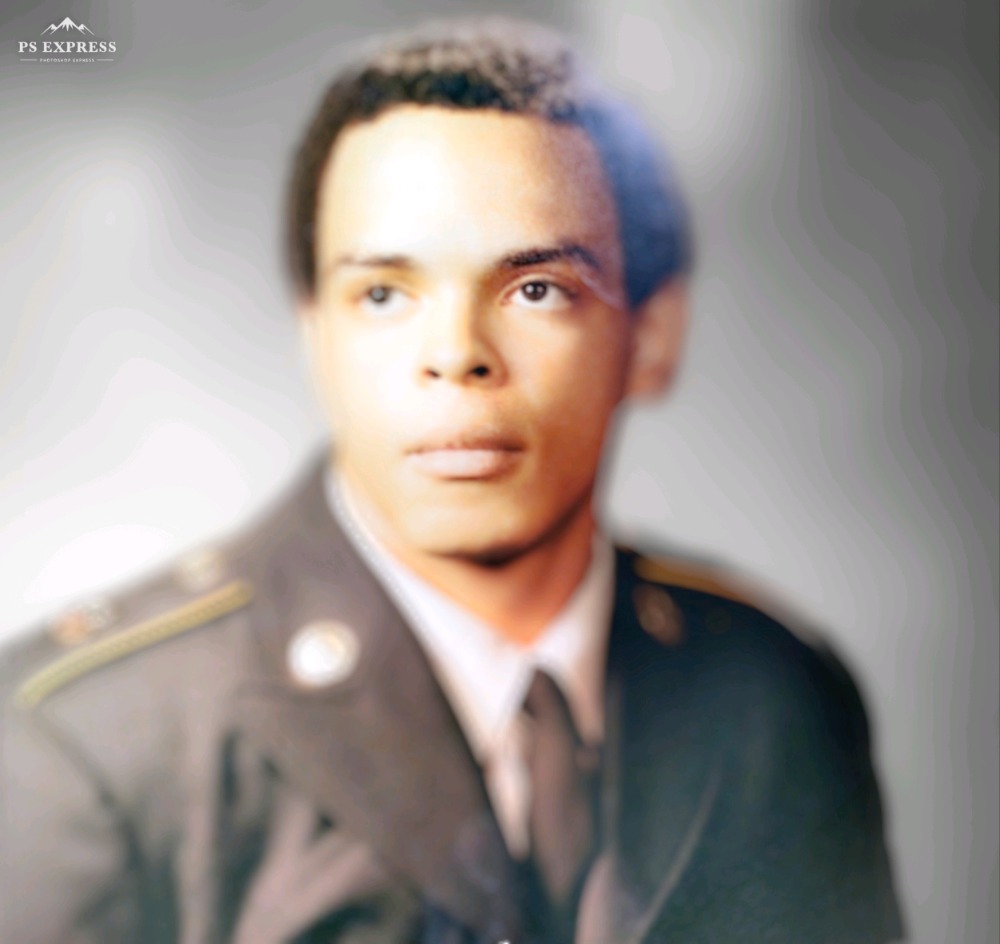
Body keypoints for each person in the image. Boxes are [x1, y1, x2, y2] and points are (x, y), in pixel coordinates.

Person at [0, 18, 904, 944]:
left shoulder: (772, 690)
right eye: (383, 294)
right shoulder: (86, 746)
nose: (456, 353)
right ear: (316, 338)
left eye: (538, 288)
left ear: (650, 337)